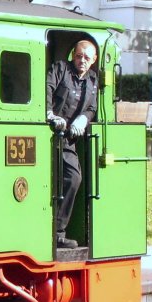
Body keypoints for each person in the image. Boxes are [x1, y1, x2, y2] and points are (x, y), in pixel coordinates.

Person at [46, 40, 98, 249]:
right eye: (79, 56)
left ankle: (58, 233)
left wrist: (84, 119)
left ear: (93, 60)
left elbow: (92, 106)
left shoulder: (93, 80)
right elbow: (47, 88)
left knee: (73, 178)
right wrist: (49, 114)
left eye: (86, 57)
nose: (81, 60)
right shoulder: (60, 69)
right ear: (72, 56)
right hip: (48, 133)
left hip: (67, 139)